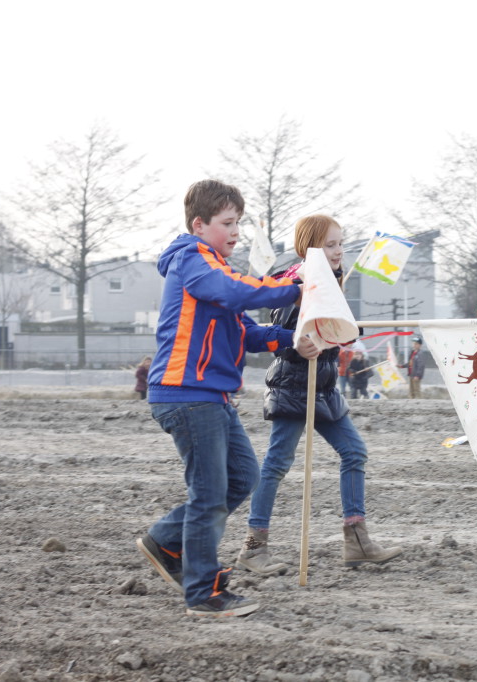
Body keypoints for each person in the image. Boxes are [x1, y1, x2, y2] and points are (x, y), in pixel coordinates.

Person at [136, 179, 305, 619]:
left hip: (209, 396)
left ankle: (165, 541)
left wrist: (296, 339)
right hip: (187, 395)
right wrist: (294, 287)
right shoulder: (194, 259)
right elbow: (238, 292)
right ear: (199, 224)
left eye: (239, 223)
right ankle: (203, 594)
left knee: (241, 477)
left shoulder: (215, 268)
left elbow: (244, 329)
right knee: (210, 495)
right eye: (227, 223)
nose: (235, 232)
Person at [236, 214, 402, 577]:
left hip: (325, 387)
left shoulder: (335, 279)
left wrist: (341, 332)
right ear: (310, 248)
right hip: (295, 386)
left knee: (354, 451)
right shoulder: (298, 281)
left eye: (341, 243)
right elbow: (281, 339)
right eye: (330, 245)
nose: (339, 251)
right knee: (277, 465)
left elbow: (332, 333)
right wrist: (304, 344)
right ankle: (253, 546)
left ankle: (356, 541)